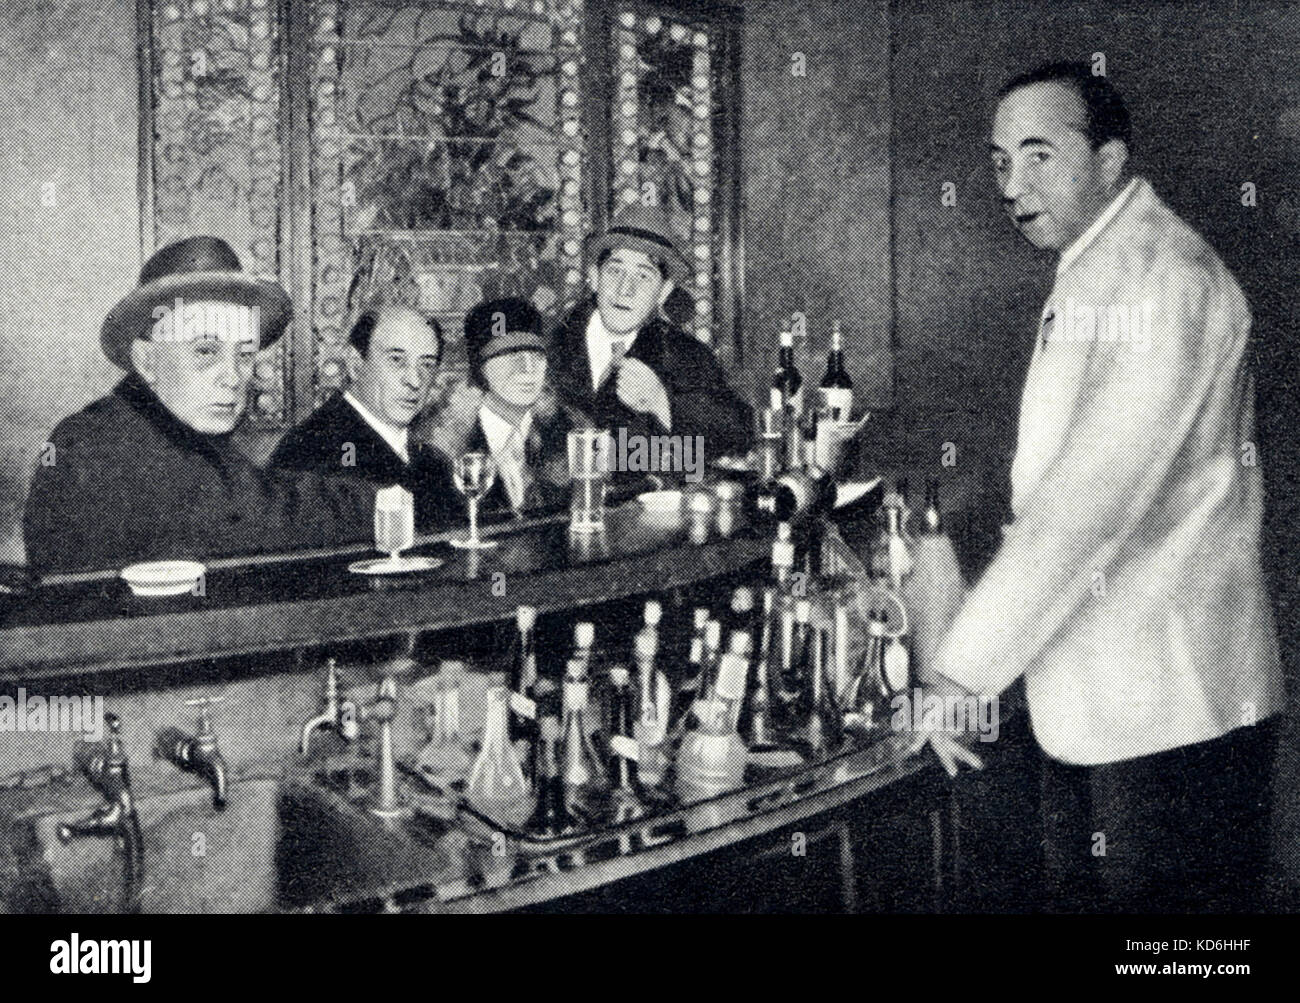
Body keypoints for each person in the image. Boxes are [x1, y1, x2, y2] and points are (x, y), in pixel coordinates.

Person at [920, 63, 1284, 912]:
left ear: (1112, 158)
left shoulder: (1163, 279)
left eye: (1040, 155)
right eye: (1001, 161)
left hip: (1172, 710)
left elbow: (1091, 500)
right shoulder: (1102, 265)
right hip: (1106, 702)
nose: (1013, 185)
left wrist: (959, 676)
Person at [23, 237, 377, 573]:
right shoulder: (95, 440)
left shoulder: (175, 430)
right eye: (206, 351)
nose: (233, 377)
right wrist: (388, 502)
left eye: (244, 355)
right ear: (147, 361)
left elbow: (257, 492)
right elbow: (253, 513)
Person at [549, 203, 753, 467]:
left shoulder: (688, 356)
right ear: (594, 277)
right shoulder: (546, 346)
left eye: (643, 277)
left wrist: (661, 402)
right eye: (615, 271)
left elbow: (739, 435)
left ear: (664, 292)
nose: (625, 290)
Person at [267, 305, 460, 532]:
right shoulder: (311, 449)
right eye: (397, 360)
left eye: (427, 364)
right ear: (356, 364)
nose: (415, 381)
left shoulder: (431, 461)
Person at [432, 297, 586, 515]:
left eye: (536, 354)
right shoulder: (441, 445)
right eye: (509, 355)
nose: (528, 369)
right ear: (480, 368)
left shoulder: (574, 429)